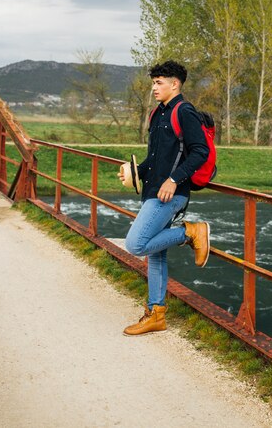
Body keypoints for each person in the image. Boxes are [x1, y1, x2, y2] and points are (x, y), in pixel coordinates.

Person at [118, 60, 210, 336]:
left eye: (159, 82)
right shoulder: (158, 114)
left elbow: (200, 152)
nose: (154, 87)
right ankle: (156, 313)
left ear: (175, 84)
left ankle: (190, 232)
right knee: (155, 255)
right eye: (153, 82)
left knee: (135, 244)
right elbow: (155, 160)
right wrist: (136, 171)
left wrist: (173, 179)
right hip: (153, 192)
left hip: (171, 194)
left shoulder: (185, 112)